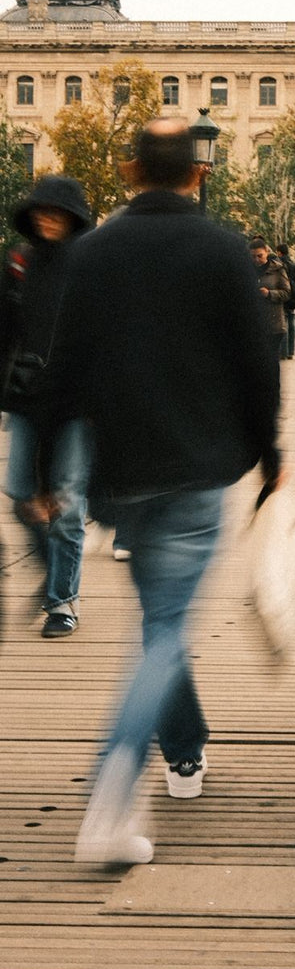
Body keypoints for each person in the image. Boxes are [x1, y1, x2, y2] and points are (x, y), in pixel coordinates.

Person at [45, 119, 282, 866]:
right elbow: (258, 358)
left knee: (159, 621)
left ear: (129, 171)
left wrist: (48, 471)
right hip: (194, 468)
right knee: (167, 631)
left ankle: (185, 750)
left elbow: (63, 369)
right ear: (197, 173)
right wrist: (268, 454)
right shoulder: (219, 248)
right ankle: (112, 796)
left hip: (120, 473)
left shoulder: (93, 250)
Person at [0, 176, 93, 637]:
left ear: (73, 217)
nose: (47, 218)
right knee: (20, 492)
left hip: (76, 401)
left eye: (56, 212)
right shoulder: (18, 263)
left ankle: (62, 600)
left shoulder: (90, 265)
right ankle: (47, 565)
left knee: (68, 502)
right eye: (40, 212)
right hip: (26, 397)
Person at [248, 238, 291, 364]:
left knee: (270, 363)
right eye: (253, 256)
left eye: (259, 256)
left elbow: (287, 293)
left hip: (273, 324)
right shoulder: (246, 270)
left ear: (266, 252)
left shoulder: (278, 270)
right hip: (252, 324)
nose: (256, 260)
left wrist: (269, 294)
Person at [276, 242, 295, 360]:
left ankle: (283, 352)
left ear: (279, 252)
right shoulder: (293, 264)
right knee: (291, 321)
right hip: (294, 296)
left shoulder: (280, 264)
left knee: (283, 323)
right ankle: (291, 351)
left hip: (284, 294)